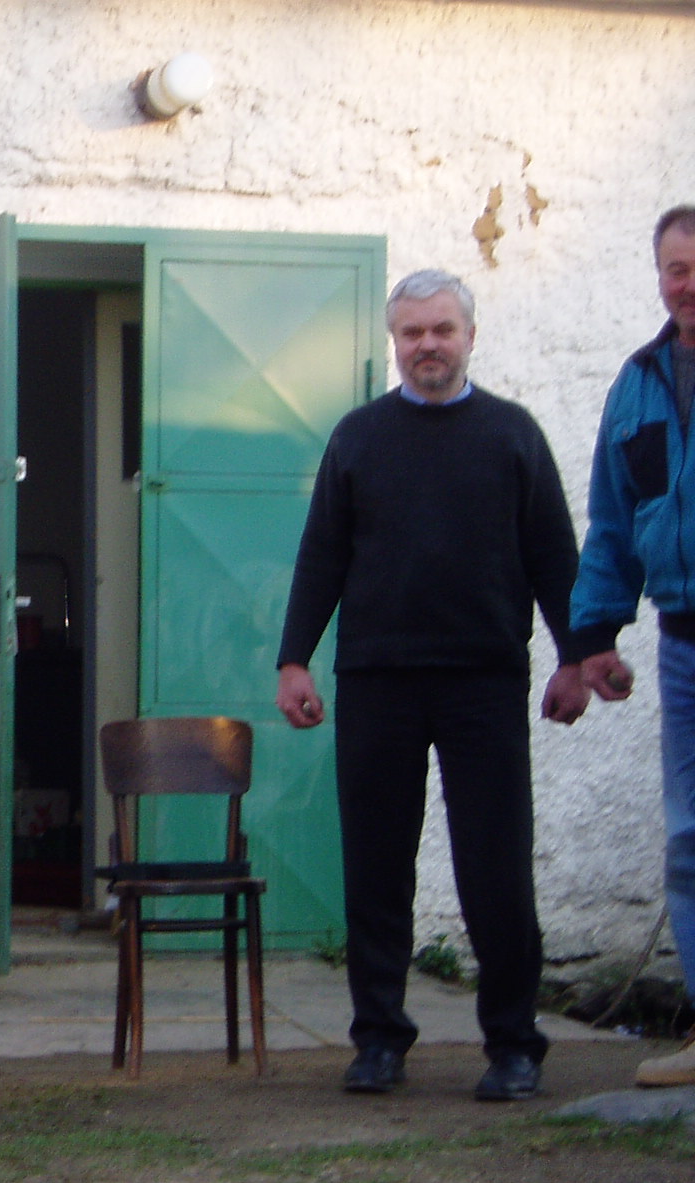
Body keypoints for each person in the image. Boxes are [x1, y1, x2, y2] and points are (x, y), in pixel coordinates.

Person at [275, 269, 588, 1102]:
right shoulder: (358, 437)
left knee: (497, 870)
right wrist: (294, 659)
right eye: (412, 333)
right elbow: (322, 554)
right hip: (377, 679)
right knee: (376, 870)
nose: (428, 346)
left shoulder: (513, 435)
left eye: (442, 330)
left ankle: (514, 1046)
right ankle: (378, 1041)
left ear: (470, 336)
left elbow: (554, 555)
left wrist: (576, 656)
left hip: (484, 681)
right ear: (395, 342)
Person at [569, 205, 695, 1089]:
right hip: (682, 644)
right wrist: (593, 639)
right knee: (689, 841)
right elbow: (613, 523)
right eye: (676, 269)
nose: (688, 284)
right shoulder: (638, 384)